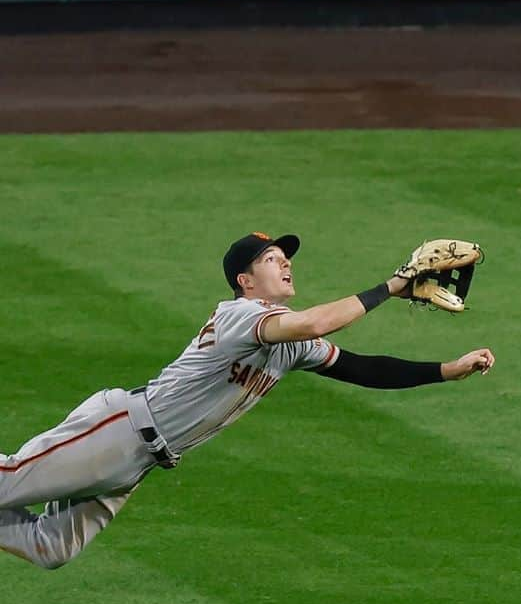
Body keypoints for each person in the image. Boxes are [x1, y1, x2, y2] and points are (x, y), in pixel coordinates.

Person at [0, 231, 495, 569]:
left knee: (51, 548)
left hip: (139, 463)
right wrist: (392, 286)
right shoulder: (239, 315)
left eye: (286, 257)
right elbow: (315, 322)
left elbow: (362, 368)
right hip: (119, 430)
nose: (286, 263)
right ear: (245, 279)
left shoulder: (291, 343)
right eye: (272, 259)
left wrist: (446, 371)